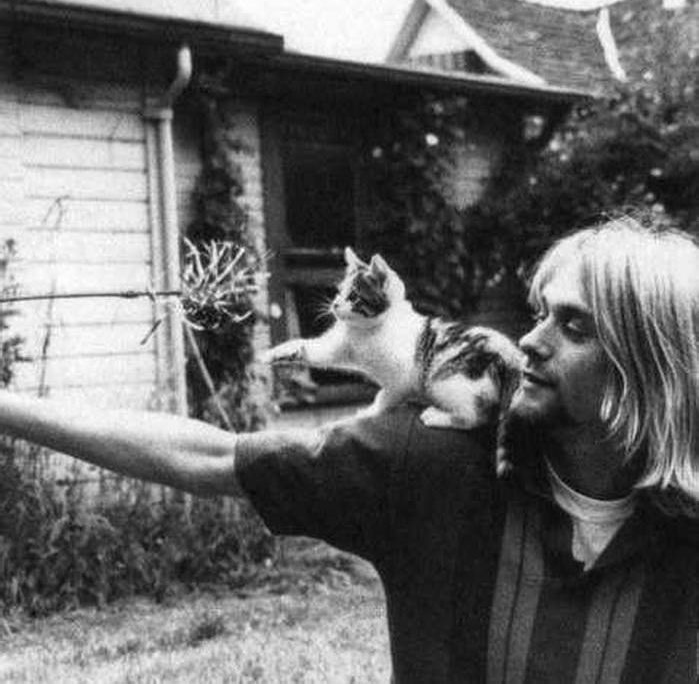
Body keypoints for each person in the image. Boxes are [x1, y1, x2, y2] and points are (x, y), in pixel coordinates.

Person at [0, 216, 697, 683]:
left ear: (653, 364)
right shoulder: (438, 460)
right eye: (540, 313)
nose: (531, 340)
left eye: (573, 326)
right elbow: (209, 458)